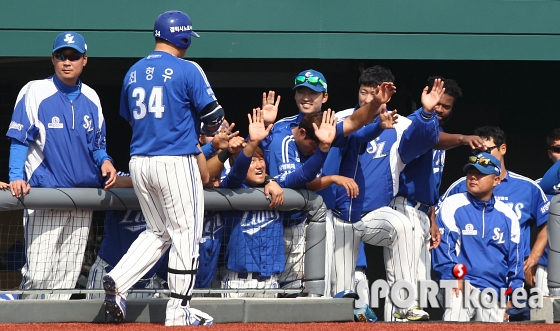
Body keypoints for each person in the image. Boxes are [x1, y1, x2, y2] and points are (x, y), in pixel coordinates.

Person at [104, 11, 223, 326]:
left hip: (140, 161)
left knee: (159, 231)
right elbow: (214, 116)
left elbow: (130, 118)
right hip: (175, 160)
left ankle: (117, 281)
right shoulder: (187, 68)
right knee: (186, 234)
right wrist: (202, 131)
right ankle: (179, 309)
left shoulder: (133, 71)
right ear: (182, 37)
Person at [6, 31, 117, 300]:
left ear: (84, 60)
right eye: (61, 56)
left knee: (66, 278)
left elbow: (97, 145)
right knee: (39, 275)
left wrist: (106, 162)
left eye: (73, 56)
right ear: (53, 59)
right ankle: (25, 322)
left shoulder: (92, 97)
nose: (67, 61)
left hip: (82, 198)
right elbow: (20, 138)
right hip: (46, 195)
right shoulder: (35, 90)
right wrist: (15, 175)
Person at [327, 65, 441, 322]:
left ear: (387, 95)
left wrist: (426, 112)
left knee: (402, 225)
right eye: (364, 92)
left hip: (373, 213)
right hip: (336, 219)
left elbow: (423, 141)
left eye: (375, 93)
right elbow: (357, 132)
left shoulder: (399, 125)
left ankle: (405, 305)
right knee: (340, 296)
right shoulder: (340, 119)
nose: (368, 99)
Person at [388, 76, 486, 320]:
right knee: (404, 282)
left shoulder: (438, 129)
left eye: (446, 106)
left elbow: (430, 180)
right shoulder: (414, 124)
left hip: (421, 211)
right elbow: (431, 140)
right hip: (403, 207)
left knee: (419, 285)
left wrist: (432, 218)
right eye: (438, 103)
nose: (441, 109)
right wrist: (463, 139)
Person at [438, 126, 549, 296]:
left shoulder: (528, 187)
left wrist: (533, 258)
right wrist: (451, 274)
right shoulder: (460, 187)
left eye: (487, 149)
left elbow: (548, 223)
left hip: (509, 275)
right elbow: (439, 231)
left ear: (502, 148)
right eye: (476, 150)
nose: (481, 155)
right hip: (465, 279)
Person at [433, 152, 522, 322]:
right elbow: (444, 249)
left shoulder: (508, 215)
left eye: (480, 174)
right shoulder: (453, 203)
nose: (473, 177)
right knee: (456, 306)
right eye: (470, 172)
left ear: (496, 180)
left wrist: (513, 298)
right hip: (462, 283)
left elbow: (515, 263)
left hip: (493, 291)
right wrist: (453, 277)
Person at [87, 172, 168, 299]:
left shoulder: (166, 173)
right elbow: (113, 183)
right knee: (93, 318)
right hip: (109, 270)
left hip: (145, 280)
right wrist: (155, 182)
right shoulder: (121, 173)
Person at [533, 128, 560, 296]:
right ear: (550, 152)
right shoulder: (536, 188)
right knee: (545, 321)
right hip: (547, 265)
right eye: (558, 150)